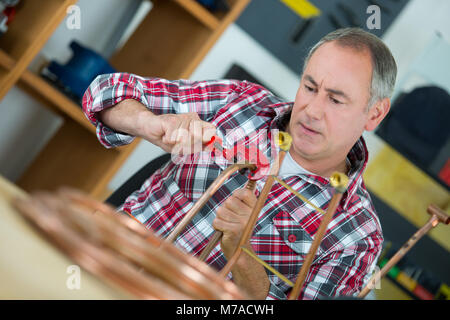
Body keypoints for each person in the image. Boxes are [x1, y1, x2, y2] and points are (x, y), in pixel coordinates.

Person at [82, 27, 397, 300]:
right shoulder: (240, 102)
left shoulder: (357, 236)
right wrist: (148, 122)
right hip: (95, 262)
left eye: (336, 99)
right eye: (310, 87)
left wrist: (243, 255)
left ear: (375, 114)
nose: (312, 110)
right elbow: (105, 91)